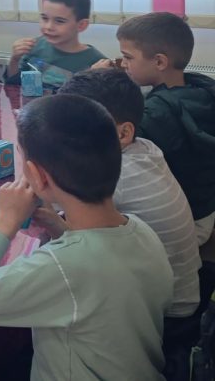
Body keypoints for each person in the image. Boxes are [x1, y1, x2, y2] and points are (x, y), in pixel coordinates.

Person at [0, 94, 172, 380]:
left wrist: (4, 220)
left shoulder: (63, 268)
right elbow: (103, 269)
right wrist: (59, 227)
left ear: (37, 176)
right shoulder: (142, 230)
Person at [58, 68, 203, 374]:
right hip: (187, 292)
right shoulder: (145, 148)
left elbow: (54, 199)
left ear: (123, 133)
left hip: (166, 317)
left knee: (60, 297)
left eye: (79, 130)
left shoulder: (115, 174)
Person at [104, 12, 215, 244]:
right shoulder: (201, 89)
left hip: (186, 223)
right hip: (206, 209)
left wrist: (95, 80)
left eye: (128, 57)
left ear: (159, 62)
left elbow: (110, 144)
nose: (123, 64)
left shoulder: (156, 114)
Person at [4, 0, 106, 86]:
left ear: (81, 25)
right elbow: (14, 85)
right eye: (45, 18)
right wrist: (15, 59)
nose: (48, 27)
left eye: (59, 21)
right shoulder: (34, 46)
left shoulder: (97, 63)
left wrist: (92, 79)